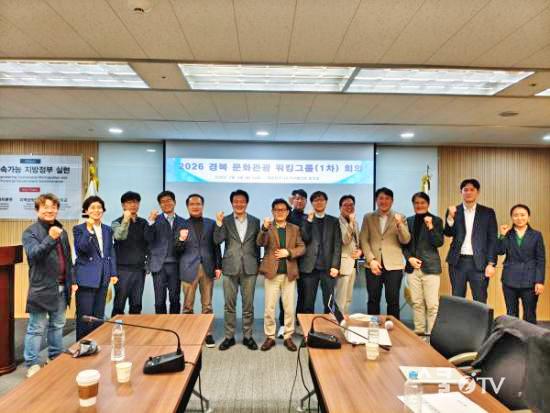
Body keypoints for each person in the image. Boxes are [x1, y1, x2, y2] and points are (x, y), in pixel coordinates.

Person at [22, 193, 77, 378]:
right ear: (37, 209)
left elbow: (68, 260)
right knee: (36, 328)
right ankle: (32, 363)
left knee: (58, 325)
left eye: (53, 207)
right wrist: (51, 238)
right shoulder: (30, 232)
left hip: (62, 287)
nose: (50, 210)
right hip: (42, 287)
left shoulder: (62, 231)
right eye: (45, 207)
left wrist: (72, 281)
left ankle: (55, 357)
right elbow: (34, 255)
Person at [214, 189, 261, 351]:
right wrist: (218, 223)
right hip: (229, 267)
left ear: (246, 203)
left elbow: (257, 245)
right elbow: (217, 240)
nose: (239, 204)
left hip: (250, 267)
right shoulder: (225, 220)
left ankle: (248, 336)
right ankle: (229, 337)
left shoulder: (255, 221)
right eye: (236, 201)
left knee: (248, 306)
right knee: (229, 306)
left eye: (242, 201)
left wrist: (257, 264)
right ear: (232, 203)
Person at [174, 194, 222, 348]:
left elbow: (216, 246)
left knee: (207, 305)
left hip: (207, 267)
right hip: (188, 268)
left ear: (203, 205)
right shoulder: (181, 224)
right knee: (187, 305)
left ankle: (208, 334)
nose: (195, 206)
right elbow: (176, 249)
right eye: (192, 204)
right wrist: (181, 240)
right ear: (187, 206)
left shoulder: (211, 223)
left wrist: (218, 266)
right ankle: (188, 333)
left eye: (198, 204)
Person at [257, 199, 305, 352]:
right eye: (276, 209)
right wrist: (264, 229)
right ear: (272, 211)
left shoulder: (295, 229)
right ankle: (270, 337)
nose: (280, 212)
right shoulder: (268, 227)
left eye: (283, 209)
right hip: (272, 274)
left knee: (289, 308)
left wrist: (288, 252)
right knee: (269, 308)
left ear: (288, 212)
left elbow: (302, 248)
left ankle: (288, 336)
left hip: (289, 274)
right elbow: (260, 242)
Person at [360, 187, 410, 319]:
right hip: (373, 265)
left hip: (394, 266)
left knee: (393, 301)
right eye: (381, 198)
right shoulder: (368, 217)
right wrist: (371, 260)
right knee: (373, 300)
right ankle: (373, 327)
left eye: (387, 198)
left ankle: (393, 328)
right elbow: (364, 240)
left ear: (392, 201)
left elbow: (405, 240)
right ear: (376, 200)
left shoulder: (400, 217)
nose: (384, 201)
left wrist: (399, 224)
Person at [444, 179, 497, 303]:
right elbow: (448, 233)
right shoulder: (453, 211)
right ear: (461, 192)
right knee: (457, 299)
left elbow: (492, 239)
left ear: (477, 192)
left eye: (472, 190)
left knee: (480, 299)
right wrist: (450, 218)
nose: (468, 192)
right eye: (465, 190)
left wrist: (491, 263)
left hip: (479, 263)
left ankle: (480, 318)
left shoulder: (488, 212)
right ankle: (459, 317)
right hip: (457, 262)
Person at [74, 196, 118, 340]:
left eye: (99, 207)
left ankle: (96, 344)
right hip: (86, 278)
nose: (96, 210)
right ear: (86, 211)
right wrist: (89, 229)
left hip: (103, 277)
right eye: (92, 207)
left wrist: (113, 272)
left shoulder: (107, 229)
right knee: (85, 317)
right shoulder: (79, 229)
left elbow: (110, 251)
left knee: (98, 316)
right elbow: (81, 249)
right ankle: (82, 345)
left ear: (103, 210)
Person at [402, 192, 444, 334]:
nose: (419, 205)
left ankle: (432, 335)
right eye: (416, 203)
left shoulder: (436, 220)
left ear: (428, 204)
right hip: (412, 268)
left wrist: (430, 226)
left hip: (430, 268)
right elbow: (403, 244)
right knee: (417, 303)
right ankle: (419, 332)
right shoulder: (408, 221)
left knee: (432, 305)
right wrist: (409, 258)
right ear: (413, 204)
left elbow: (438, 242)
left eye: (422, 203)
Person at [498, 204, 545, 324]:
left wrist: (539, 281)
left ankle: (530, 336)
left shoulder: (536, 235)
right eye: (516, 215)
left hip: (530, 281)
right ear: (512, 217)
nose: (519, 218)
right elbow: (500, 251)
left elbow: (540, 259)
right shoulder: (507, 234)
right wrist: (502, 235)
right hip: (509, 279)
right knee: (511, 314)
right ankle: (512, 335)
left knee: (530, 314)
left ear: (528, 217)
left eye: (523, 215)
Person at [299, 191, 342, 314]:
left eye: (321, 200)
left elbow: (337, 245)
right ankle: (308, 326)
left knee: (329, 302)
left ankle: (329, 325)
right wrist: (309, 221)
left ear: (326, 202)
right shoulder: (305, 219)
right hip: (309, 268)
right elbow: (305, 238)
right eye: (316, 200)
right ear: (312, 203)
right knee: (307, 302)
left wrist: (335, 266)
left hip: (328, 268)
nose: (319, 202)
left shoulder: (334, 221)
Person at [145, 190, 185, 314]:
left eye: (169, 200)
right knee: (159, 300)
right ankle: (160, 325)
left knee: (175, 299)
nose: (166, 203)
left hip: (176, 265)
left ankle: (174, 324)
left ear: (174, 202)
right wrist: (150, 222)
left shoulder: (183, 222)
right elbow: (147, 239)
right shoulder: (154, 220)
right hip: (158, 265)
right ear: (160, 205)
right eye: (163, 202)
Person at [111, 191, 149, 316]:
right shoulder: (116, 222)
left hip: (139, 270)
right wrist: (126, 220)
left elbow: (149, 242)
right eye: (129, 202)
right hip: (122, 270)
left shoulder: (143, 222)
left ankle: (134, 329)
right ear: (123, 205)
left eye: (136, 202)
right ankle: (116, 328)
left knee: (136, 305)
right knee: (119, 304)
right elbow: (119, 236)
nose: (133, 205)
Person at [278, 188, 308, 338]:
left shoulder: (309, 218)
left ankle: (299, 323)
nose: (299, 201)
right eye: (296, 198)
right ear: (292, 200)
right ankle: (283, 325)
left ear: (306, 201)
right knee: (284, 295)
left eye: (302, 198)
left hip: (305, 262)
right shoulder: (286, 216)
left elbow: (308, 239)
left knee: (303, 295)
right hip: (287, 261)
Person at [335, 195, 362, 315]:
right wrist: (351, 223)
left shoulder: (355, 223)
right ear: (340, 207)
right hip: (342, 265)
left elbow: (358, 243)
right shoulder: (336, 222)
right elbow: (345, 240)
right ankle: (338, 322)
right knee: (340, 299)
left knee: (348, 299)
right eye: (345, 205)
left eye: (351, 205)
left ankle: (344, 321)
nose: (349, 207)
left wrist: (360, 251)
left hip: (353, 265)